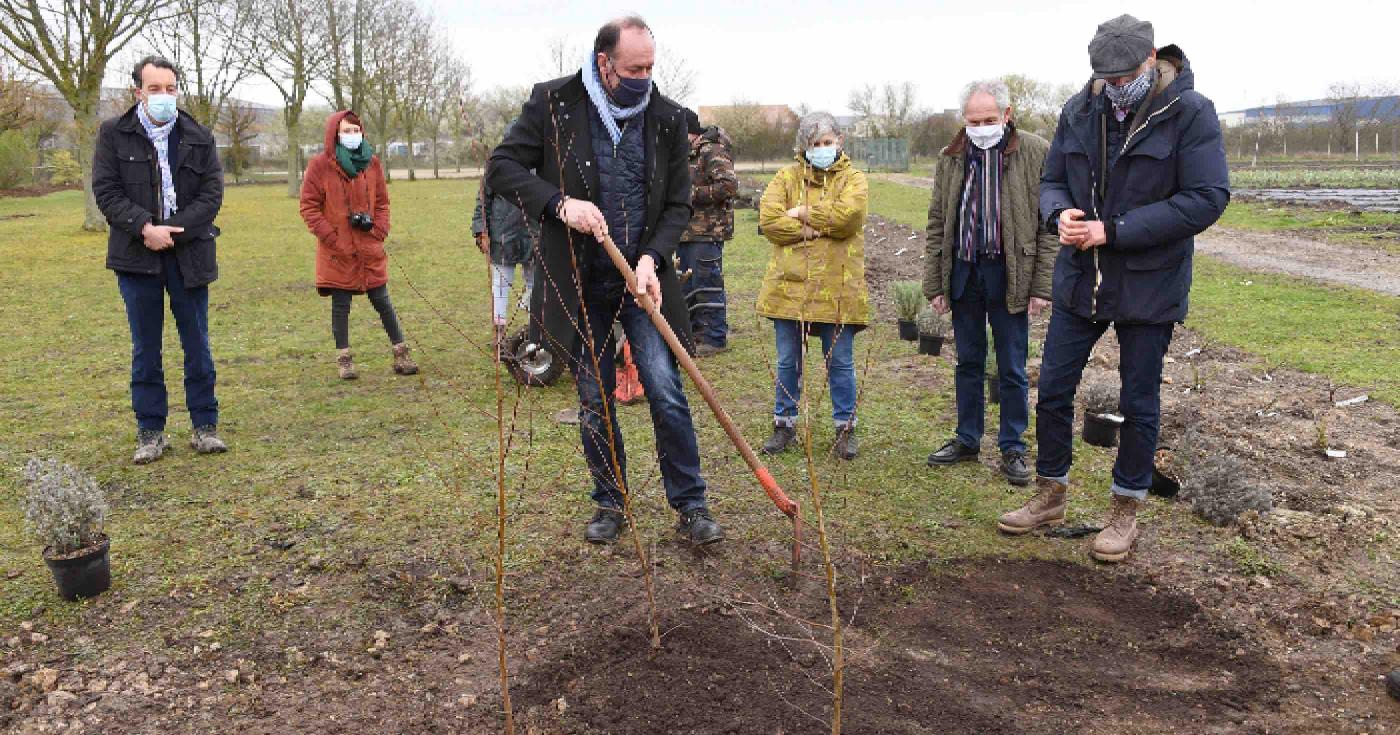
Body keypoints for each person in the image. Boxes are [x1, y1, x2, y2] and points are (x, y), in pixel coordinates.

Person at [486, 15, 723, 546]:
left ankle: (691, 505)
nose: (644, 77)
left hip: (641, 283)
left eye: (650, 67)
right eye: (634, 67)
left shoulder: (663, 118)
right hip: (581, 282)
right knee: (595, 398)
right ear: (603, 63)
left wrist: (653, 258)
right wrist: (559, 203)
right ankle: (610, 502)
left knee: (665, 389)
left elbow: (678, 205)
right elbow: (502, 167)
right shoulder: (554, 103)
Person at [1000, 15, 1229, 563]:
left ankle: (1125, 508)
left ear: (1151, 58)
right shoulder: (1078, 110)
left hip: (1149, 285)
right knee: (1053, 388)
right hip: (1081, 280)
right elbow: (1051, 180)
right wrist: (1061, 214)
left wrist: (1116, 231)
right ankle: (1050, 492)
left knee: (1137, 401)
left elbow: (1207, 197)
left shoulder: (1190, 113)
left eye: (1124, 74)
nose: (1114, 85)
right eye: (1105, 75)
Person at [93, 56, 227, 464]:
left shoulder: (199, 136)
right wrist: (145, 228)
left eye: (170, 88)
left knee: (197, 344)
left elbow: (211, 194)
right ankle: (150, 431)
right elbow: (107, 191)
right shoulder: (114, 134)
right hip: (137, 257)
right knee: (146, 347)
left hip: (189, 255)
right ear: (138, 92)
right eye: (155, 89)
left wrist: (174, 230)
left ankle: (205, 425)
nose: (164, 96)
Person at [923, 80, 1057, 486]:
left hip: (1010, 271)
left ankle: (1012, 446)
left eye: (988, 120)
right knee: (968, 360)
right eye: (972, 121)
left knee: (1012, 365)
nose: (980, 127)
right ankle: (967, 438)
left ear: (1007, 115)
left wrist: (1041, 286)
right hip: (964, 270)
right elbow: (936, 221)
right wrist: (935, 282)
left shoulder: (1035, 152)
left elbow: (1048, 225)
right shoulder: (951, 156)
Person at [756, 112, 869, 461]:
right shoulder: (785, 177)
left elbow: (848, 218)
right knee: (788, 361)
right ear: (803, 146)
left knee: (840, 362)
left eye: (827, 142)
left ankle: (844, 428)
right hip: (789, 288)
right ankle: (784, 424)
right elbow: (769, 222)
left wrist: (803, 210)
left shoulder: (854, 179)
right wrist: (814, 229)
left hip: (838, 289)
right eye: (815, 144)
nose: (821, 149)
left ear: (840, 142)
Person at [299, 110, 418, 380]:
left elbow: (382, 203)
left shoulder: (372, 163)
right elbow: (309, 207)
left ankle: (401, 353)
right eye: (346, 131)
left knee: (383, 301)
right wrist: (332, 237)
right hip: (338, 251)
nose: (352, 136)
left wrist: (379, 229)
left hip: (369, 246)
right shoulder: (320, 166)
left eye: (356, 130)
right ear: (335, 134)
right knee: (341, 305)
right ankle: (344, 359)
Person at [678, 108, 739, 356]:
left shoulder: (712, 150)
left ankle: (714, 337)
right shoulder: (688, 152)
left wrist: (688, 196)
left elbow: (728, 186)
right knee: (688, 284)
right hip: (687, 232)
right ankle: (695, 333)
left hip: (707, 231)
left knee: (707, 283)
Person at [472, 170, 538, 352]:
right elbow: (483, 202)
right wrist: (481, 231)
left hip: (533, 235)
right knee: (500, 284)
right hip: (502, 235)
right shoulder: (497, 165)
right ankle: (499, 334)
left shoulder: (539, 163)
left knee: (535, 284)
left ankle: (535, 331)